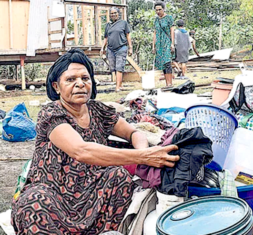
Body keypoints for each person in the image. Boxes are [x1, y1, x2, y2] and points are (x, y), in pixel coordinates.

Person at [11, 49, 179, 234]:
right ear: (56, 87)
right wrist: (144, 156)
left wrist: (143, 153)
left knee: (119, 176)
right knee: (34, 202)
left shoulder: (98, 110)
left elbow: (134, 133)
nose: (80, 84)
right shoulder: (51, 114)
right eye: (70, 79)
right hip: (54, 192)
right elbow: (81, 150)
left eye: (85, 78)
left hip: (91, 190)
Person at [100, 7, 132, 92]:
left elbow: (128, 35)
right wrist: (102, 48)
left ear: (118, 14)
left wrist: (130, 48)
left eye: (115, 13)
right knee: (113, 67)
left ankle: (117, 87)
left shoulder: (123, 23)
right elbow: (106, 38)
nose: (113, 15)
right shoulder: (108, 25)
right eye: (111, 13)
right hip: (110, 49)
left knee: (119, 67)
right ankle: (120, 85)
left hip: (121, 47)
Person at [152, 1, 175, 87]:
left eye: (160, 9)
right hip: (159, 44)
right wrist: (153, 46)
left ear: (164, 9)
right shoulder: (156, 20)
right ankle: (167, 83)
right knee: (162, 63)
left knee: (167, 62)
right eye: (156, 10)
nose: (158, 12)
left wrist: (172, 43)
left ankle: (170, 83)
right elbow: (155, 33)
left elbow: (172, 31)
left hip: (167, 42)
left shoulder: (169, 18)